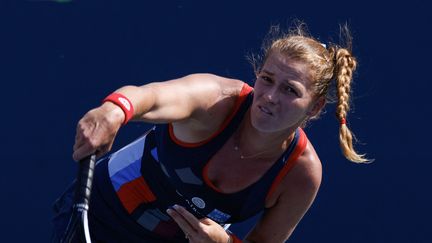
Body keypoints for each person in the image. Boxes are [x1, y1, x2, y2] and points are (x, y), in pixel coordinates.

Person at [52, 22, 371, 243]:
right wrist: (113, 111)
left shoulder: (301, 174)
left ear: (314, 107)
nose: (270, 97)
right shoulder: (217, 100)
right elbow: (151, 96)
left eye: (289, 89)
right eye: (267, 79)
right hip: (96, 216)